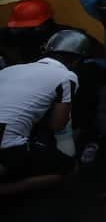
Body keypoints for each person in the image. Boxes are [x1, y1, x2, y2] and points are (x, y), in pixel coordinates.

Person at [0, 29, 92, 197]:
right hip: (7, 147)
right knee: (69, 168)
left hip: (5, 134)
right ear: (77, 60)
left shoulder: (9, 70)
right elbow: (58, 124)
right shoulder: (66, 76)